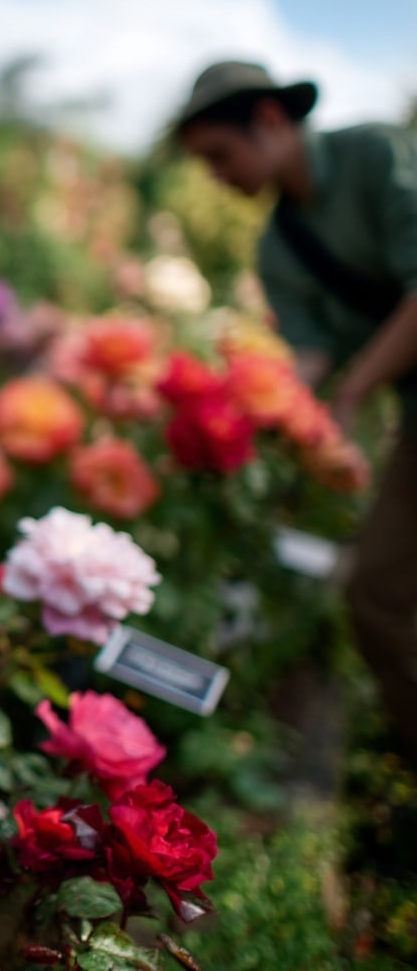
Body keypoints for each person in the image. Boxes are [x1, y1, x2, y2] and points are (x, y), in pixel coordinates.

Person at [171, 59, 417, 766]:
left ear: (273, 120)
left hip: (390, 398)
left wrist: (351, 391)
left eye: (221, 153)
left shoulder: (373, 154)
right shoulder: (280, 245)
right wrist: (239, 403)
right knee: (375, 596)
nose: (216, 174)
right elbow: (308, 359)